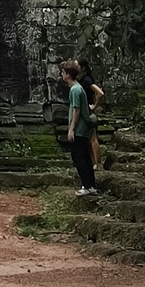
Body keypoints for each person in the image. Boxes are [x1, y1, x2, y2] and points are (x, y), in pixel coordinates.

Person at [63, 59, 98, 195]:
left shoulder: (75, 90)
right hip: (82, 128)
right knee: (84, 156)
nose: (61, 75)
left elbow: (76, 111)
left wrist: (71, 129)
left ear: (67, 74)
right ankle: (91, 185)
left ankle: (86, 185)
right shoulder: (78, 88)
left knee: (79, 157)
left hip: (79, 129)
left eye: (63, 73)